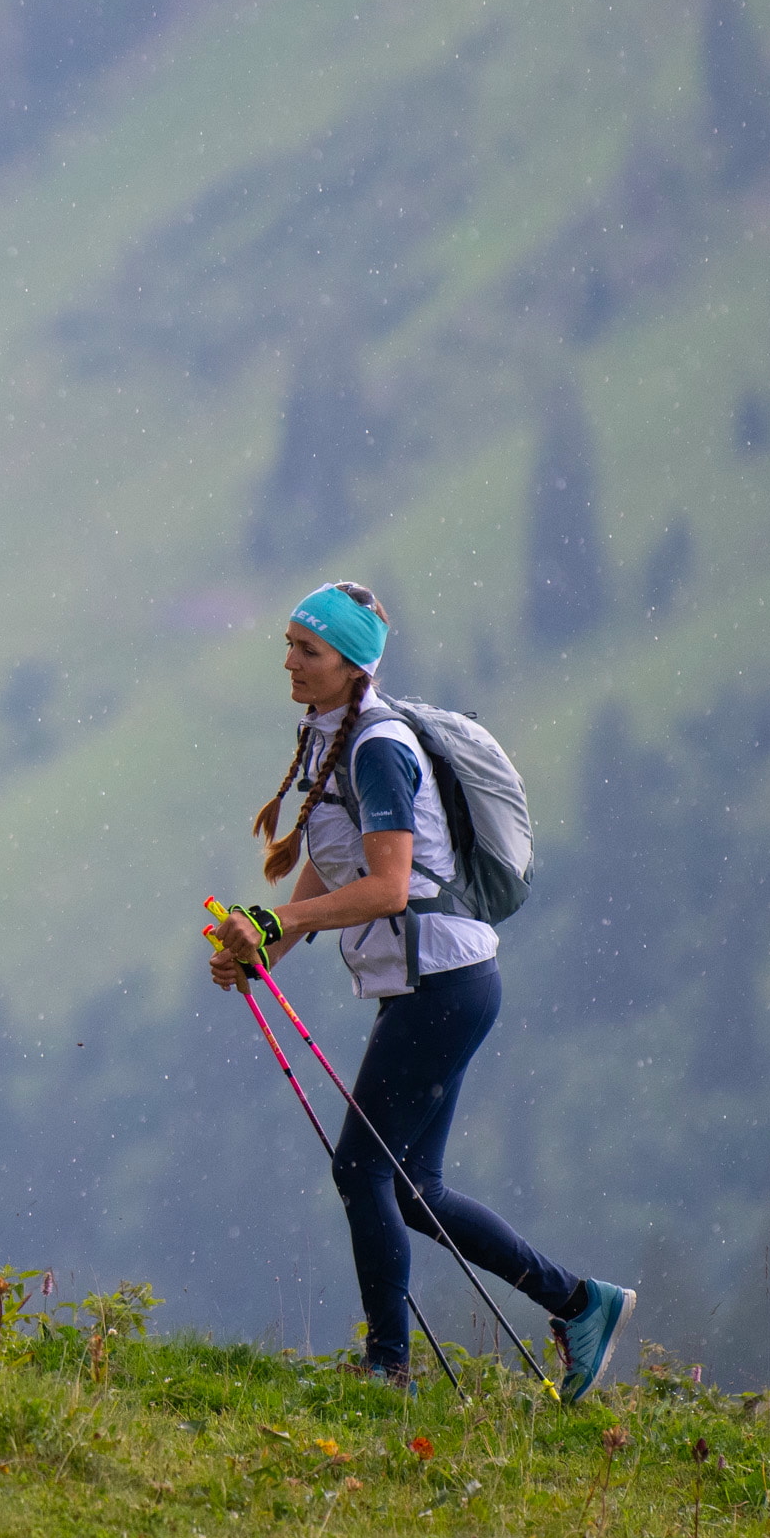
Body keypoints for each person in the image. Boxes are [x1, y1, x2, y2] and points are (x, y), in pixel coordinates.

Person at [203, 580, 636, 1398]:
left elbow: (390, 887)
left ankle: (387, 1370)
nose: (290, 661)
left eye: (309, 649)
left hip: (445, 980)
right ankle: (581, 1302)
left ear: (351, 663)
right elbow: (336, 874)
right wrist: (262, 946)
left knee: (360, 1169)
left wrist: (271, 923)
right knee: (411, 1188)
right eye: (290, 644)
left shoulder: (376, 746)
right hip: (443, 981)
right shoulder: (334, 737)